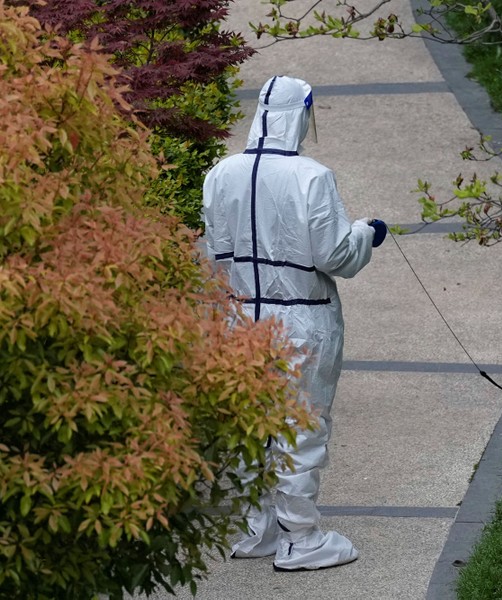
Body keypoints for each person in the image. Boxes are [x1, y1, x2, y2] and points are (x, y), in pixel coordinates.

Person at [202, 75, 387, 571]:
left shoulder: (220, 172)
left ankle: (253, 528)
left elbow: (211, 252)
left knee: (247, 423)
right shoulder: (312, 176)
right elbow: (336, 256)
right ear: (302, 114)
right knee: (300, 425)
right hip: (301, 319)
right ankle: (300, 537)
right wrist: (367, 233)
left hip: (239, 314)